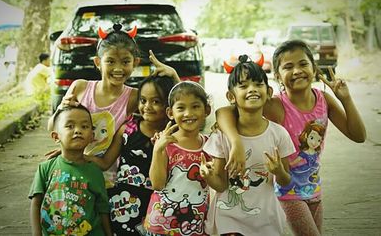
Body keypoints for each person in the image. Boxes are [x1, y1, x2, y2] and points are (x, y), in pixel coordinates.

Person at [216, 40, 366, 235]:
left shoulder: (324, 100)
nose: (297, 71)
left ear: (314, 67)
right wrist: (235, 141)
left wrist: (345, 98)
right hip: (286, 191)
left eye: (303, 64)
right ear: (278, 76)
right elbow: (224, 112)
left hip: (313, 189)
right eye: (288, 67)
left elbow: (359, 135)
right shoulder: (276, 104)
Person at [46, 23, 180, 189]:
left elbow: (174, 113)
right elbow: (52, 127)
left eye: (125, 62)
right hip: (76, 173)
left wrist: (174, 77)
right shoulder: (80, 88)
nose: (118, 68)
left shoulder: (134, 97)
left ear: (135, 62)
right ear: (97, 62)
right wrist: (61, 110)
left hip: (112, 182)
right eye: (110, 61)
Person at [200, 55, 295, 236]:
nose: (252, 89)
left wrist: (278, 172)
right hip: (229, 217)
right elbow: (220, 186)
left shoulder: (279, 134)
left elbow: (286, 181)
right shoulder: (221, 136)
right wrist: (209, 176)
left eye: (258, 84)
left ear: (268, 92)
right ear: (231, 96)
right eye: (243, 86)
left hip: (266, 219)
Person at [86, 75, 175, 235]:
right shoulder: (127, 130)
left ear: (168, 106)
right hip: (124, 205)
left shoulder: (175, 135)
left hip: (160, 205)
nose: (147, 106)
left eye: (156, 101)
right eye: (143, 100)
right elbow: (105, 162)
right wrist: (77, 155)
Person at [29, 104, 111, 236]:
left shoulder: (95, 172)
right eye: (70, 126)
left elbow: (102, 209)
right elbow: (36, 204)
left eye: (84, 126)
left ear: (91, 136)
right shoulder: (45, 168)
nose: (78, 130)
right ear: (56, 136)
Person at [144, 81, 211, 236]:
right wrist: (158, 150)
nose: (188, 113)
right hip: (162, 226)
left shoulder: (211, 145)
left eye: (195, 106)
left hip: (195, 225)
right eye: (181, 108)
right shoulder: (166, 143)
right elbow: (157, 184)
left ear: (207, 110)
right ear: (170, 112)